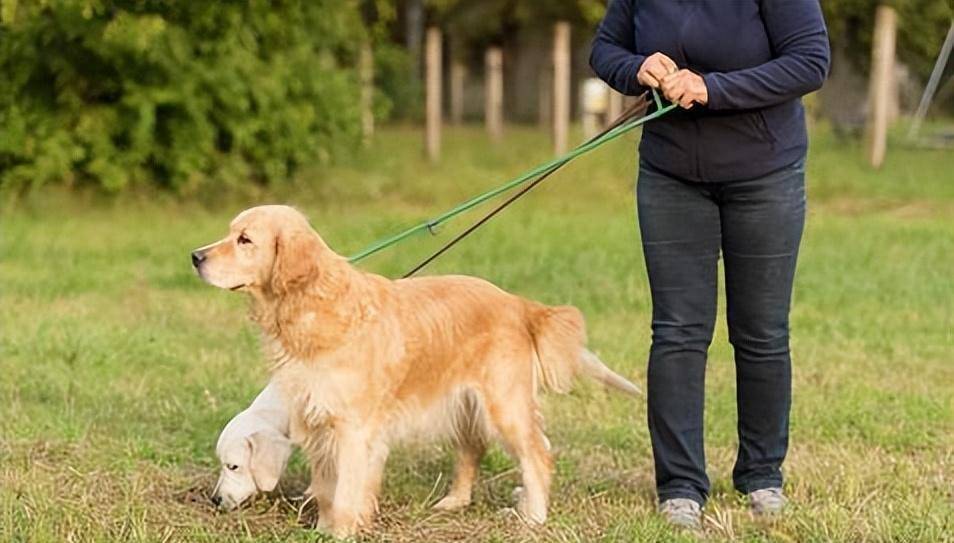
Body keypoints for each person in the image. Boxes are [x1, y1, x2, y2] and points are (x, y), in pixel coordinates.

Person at [589, 0, 830, 529]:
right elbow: (604, 50)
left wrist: (712, 89)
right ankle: (679, 486)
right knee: (676, 331)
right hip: (670, 175)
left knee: (762, 332)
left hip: (765, 173)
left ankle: (762, 476)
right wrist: (636, 68)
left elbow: (811, 61)